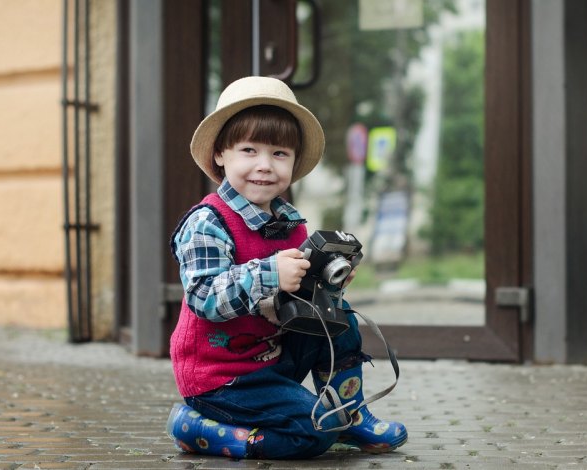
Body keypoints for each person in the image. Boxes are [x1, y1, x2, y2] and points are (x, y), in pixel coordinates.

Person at [165, 76, 407, 460]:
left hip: (274, 361)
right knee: (313, 434)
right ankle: (197, 428)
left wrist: (328, 282)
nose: (264, 165)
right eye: (249, 150)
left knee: (338, 314)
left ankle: (349, 409)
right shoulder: (208, 222)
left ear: (294, 163)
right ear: (220, 154)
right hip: (222, 377)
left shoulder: (293, 226)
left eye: (279, 154)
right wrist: (269, 273)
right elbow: (203, 298)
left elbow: (296, 301)